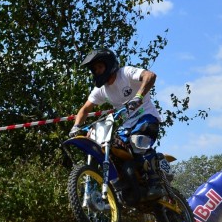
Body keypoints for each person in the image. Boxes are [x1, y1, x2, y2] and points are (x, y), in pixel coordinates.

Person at [70, 48, 164, 200]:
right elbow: (85, 109)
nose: (97, 71)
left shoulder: (125, 73)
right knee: (112, 150)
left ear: (109, 64)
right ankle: (128, 188)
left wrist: (139, 96)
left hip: (146, 116)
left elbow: (150, 75)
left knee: (137, 142)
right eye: (94, 69)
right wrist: (76, 127)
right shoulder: (101, 90)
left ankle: (155, 182)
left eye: (99, 67)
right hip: (127, 125)